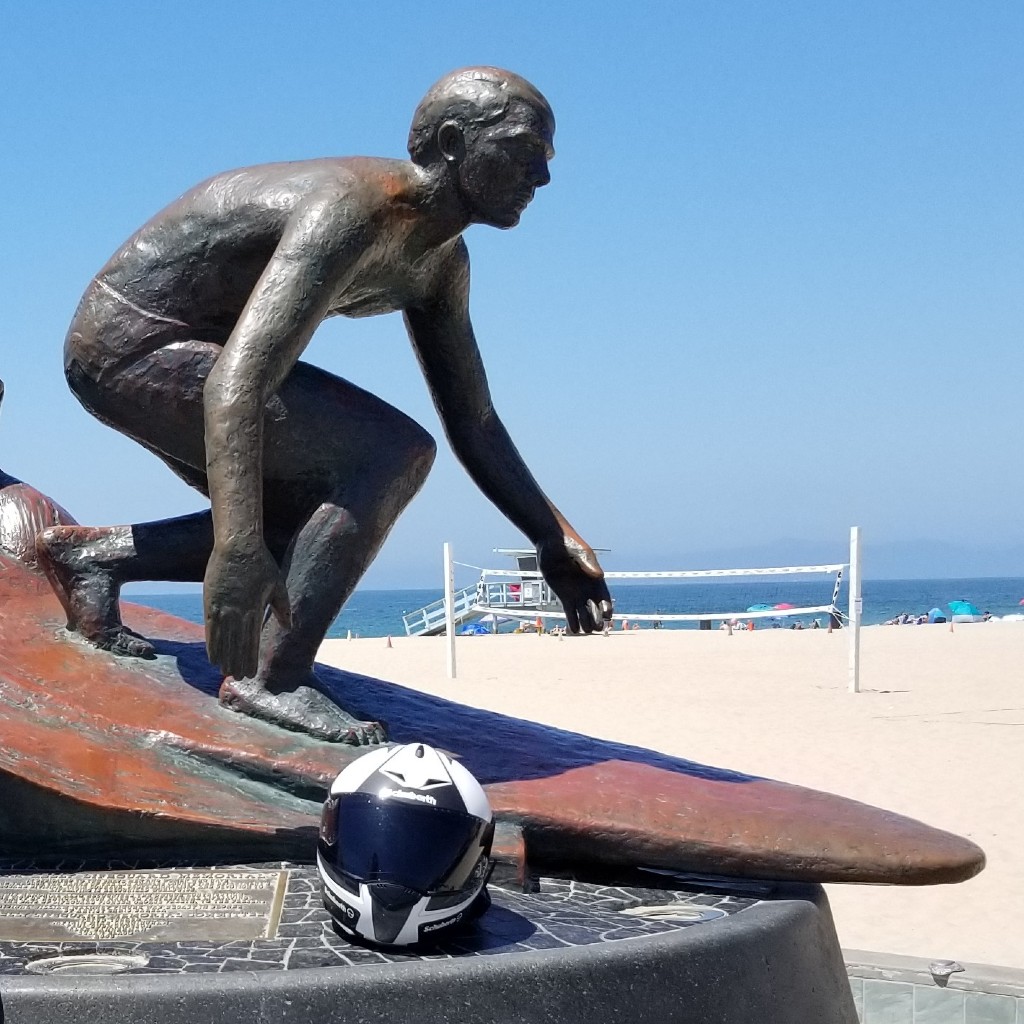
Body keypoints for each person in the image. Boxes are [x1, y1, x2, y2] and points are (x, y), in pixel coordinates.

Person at [36, 67, 613, 743]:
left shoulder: (439, 263)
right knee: (392, 453)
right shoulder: (355, 209)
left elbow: (475, 420)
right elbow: (238, 382)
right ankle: (270, 680)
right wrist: (237, 547)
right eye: (523, 153)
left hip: (199, 350)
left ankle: (98, 559)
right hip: (128, 342)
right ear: (455, 142)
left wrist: (551, 534)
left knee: (318, 522)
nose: (539, 178)